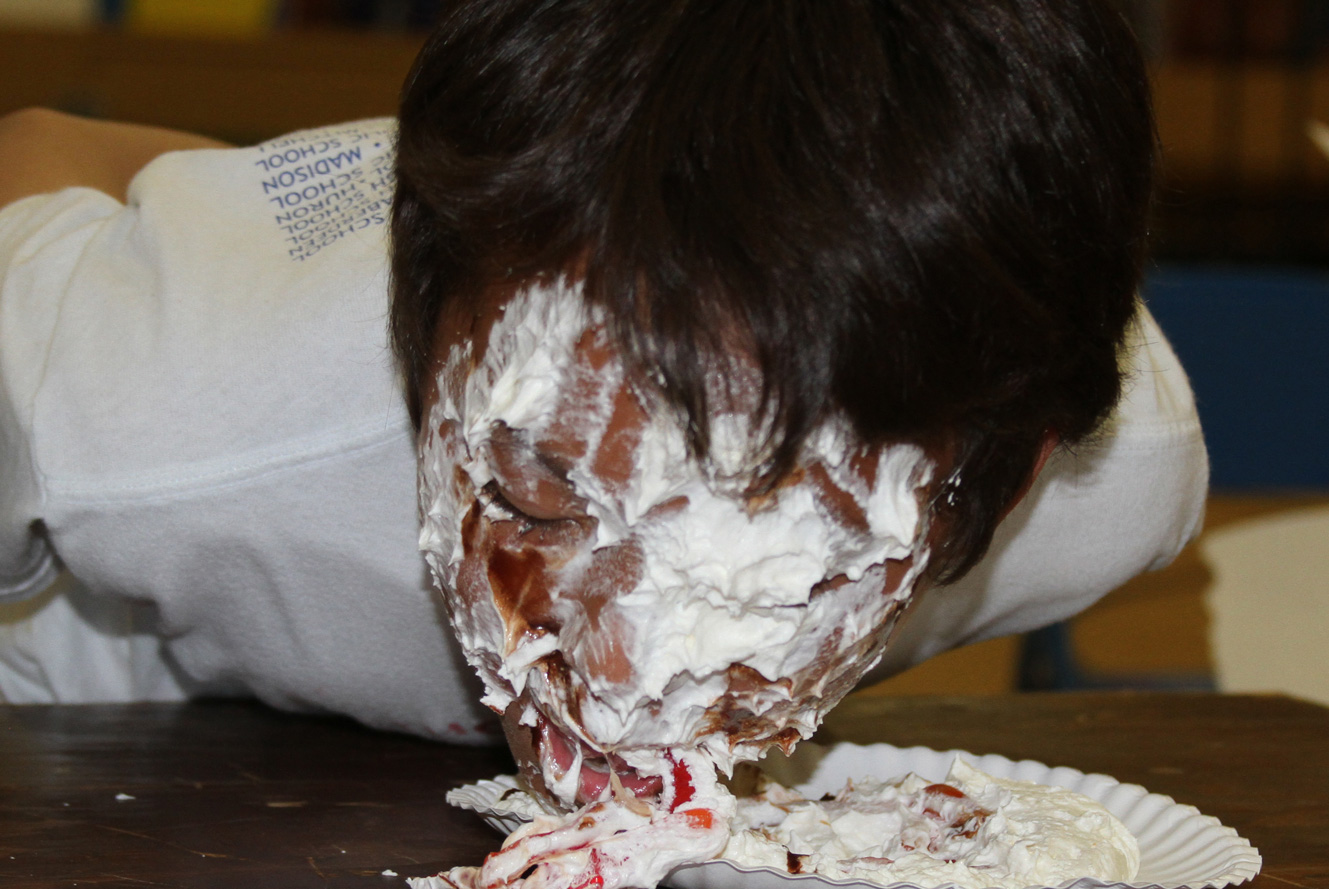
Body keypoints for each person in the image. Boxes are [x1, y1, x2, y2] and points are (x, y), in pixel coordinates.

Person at [0, 0, 1206, 755]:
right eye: (534, 502)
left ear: (1008, 488)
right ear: (417, 361)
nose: (619, 676)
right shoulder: (154, 416)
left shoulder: (1113, 470)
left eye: (770, 574)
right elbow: (33, 151)